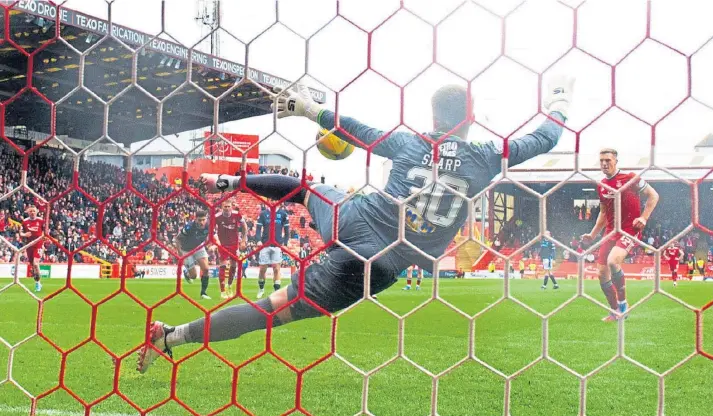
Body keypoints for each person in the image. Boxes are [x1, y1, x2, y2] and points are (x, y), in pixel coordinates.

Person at [137, 76, 574, 373]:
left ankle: (231, 180)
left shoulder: (407, 142)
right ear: (471, 114)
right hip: (376, 262)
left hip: (353, 220)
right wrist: (559, 100)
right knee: (272, 313)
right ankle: (173, 337)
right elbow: (546, 138)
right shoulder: (484, 157)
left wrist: (309, 109)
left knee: (305, 190)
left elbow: (356, 130)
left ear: (433, 114)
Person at [581, 149, 659, 322]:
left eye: (608, 160)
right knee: (601, 272)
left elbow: (653, 195)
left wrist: (644, 217)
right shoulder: (601, 185)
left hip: (629, 230)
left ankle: (623, 305)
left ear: (616, 160)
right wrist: (593, 234)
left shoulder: (630, 178)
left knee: (612, 261)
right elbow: (603, 213)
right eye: (601, 160)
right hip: (610, 231)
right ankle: (614, 311)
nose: (604, 163)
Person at [255, 204, 290, 299]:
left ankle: (276, 292)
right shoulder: (263, 213)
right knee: (262, 269)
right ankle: (261, 289)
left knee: (276, 268)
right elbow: (258, 229)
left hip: (277, 245)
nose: (273, 201)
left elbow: (287, 231)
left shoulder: (283, 214)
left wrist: (285, 243)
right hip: (265, 245)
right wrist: (258, 240)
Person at [176, 210, 212, 300]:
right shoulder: (189, 227)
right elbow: (177, 239)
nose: (201, 222)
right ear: (195, 219)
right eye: (199, 220)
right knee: (194, 276)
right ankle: (187, 273)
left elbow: (213, 236)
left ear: (206, 219)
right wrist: (180, 254)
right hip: (186, 250)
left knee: (206, 269)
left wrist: (212, 245)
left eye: (203, 220)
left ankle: (203, 293)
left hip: (199, 247)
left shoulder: (209, 225)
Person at [215, 201, 248, 299]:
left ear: (231, 207)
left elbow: (244, 226)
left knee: (234, 265)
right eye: (225, 206)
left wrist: (243, 240)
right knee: (223, 265)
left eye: (228, 206)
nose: (227, 208)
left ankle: (229, 285)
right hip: (222, 244)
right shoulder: (217, 216)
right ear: (222, 207)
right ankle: (222, 291)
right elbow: (212, 230)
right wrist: (216, 242)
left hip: (234, 245)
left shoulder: (237, 215)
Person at [20, 205, 44, 293]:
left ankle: (37, 284)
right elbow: (20, 233)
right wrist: (24, 235)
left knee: (35, 263)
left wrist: (43, 238)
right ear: (28, 212)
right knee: (33, 266)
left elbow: (45, 232)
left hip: (38, 244)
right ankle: (38, 281)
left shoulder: (41, 221)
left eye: (34, 211)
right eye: (30, 211)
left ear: (37, 211)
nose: (32, 213)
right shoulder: (25, 222)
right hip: (29, 245)